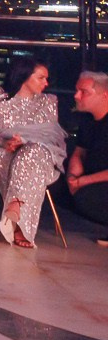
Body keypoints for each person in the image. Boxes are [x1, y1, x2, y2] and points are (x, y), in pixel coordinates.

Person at [0, 56, 65, 249]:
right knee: (28, 164)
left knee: (32, 153)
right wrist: (5, 142)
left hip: (35, 153)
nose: (46, 83)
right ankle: (20, 225)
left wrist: (23, 142)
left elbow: (50, 135)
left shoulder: (48, 102)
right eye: (41, 77)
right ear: (24, 75)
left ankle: (16, 203)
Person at [64, 71, 108, 236]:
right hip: (89, 179)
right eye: (77, 90)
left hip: (99, 182)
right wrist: (73, 178)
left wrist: (83, 181)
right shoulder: (87, 121)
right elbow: (79, 152)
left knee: (87, 198)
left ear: (104, 96)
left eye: (84, 92)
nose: (77, 95)